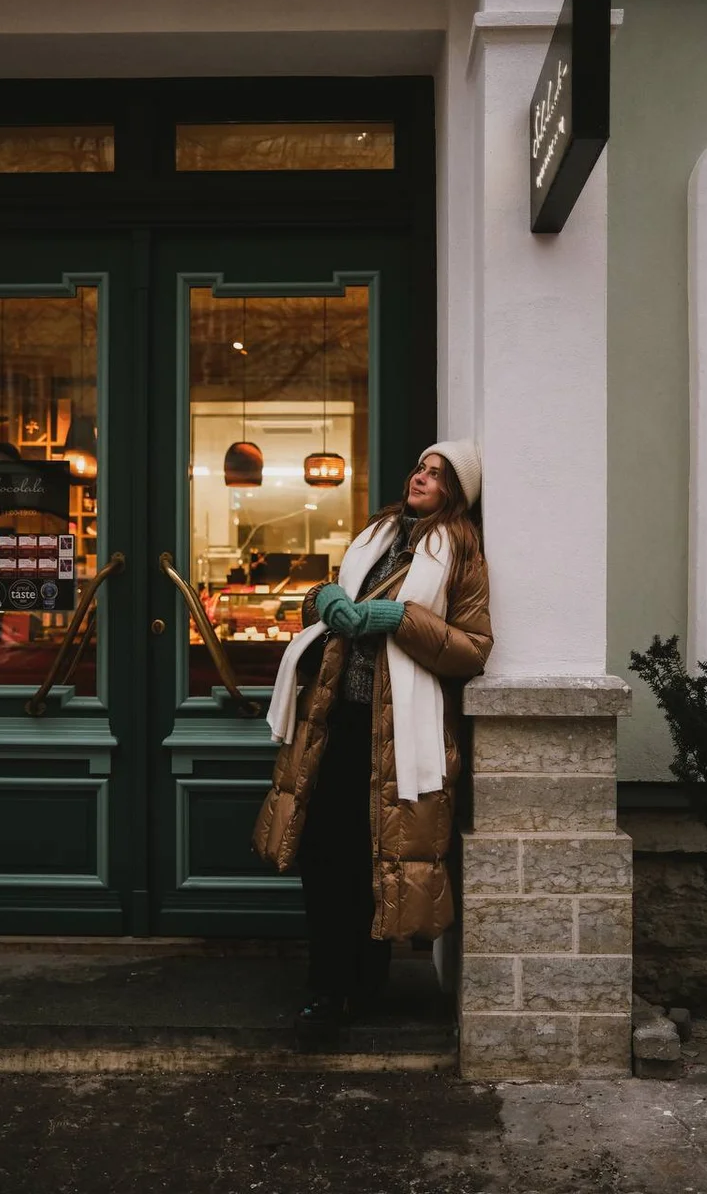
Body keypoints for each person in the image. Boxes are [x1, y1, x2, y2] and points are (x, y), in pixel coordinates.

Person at [252, 440, 493, 1046]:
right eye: (420, 465)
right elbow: (330, 602)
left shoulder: (460, 550)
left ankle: (358, 985)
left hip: (397, 735)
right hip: (333, 718)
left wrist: (400, 620)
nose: (422, 476)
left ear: (456, 495)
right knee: (321, 853)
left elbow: (473, 648)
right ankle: (326, 984)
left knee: (372, 860)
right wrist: (322, 597)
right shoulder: (377, 533)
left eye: (437, 474)